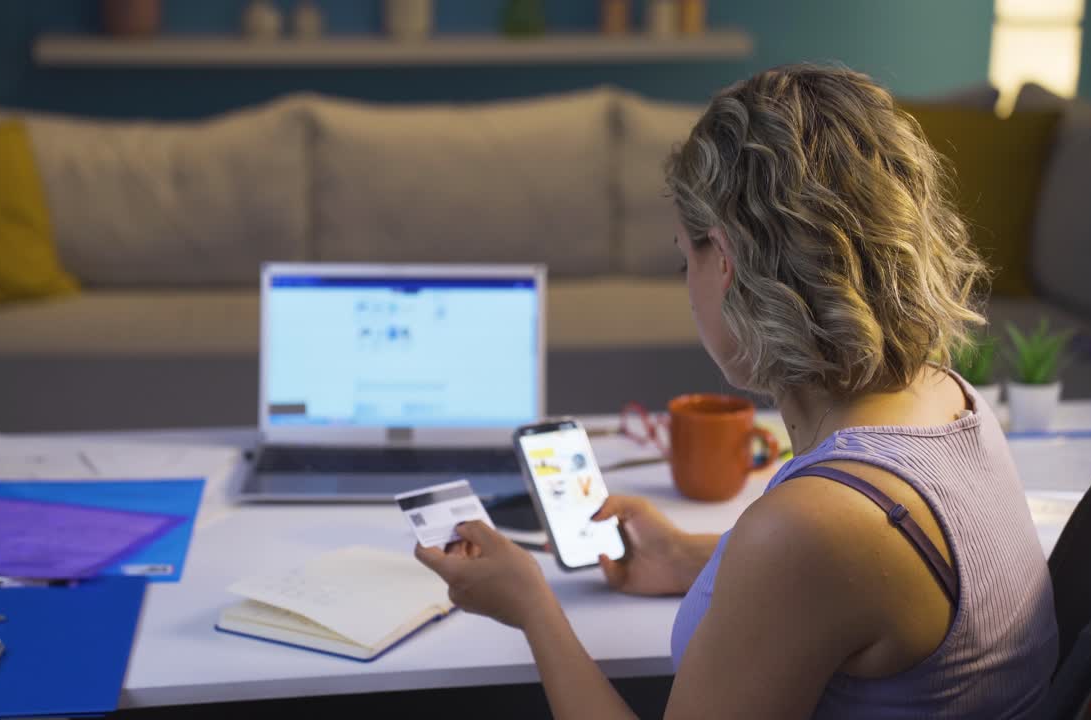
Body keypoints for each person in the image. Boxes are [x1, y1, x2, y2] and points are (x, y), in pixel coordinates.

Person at [414, 63, 1057, 719]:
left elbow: (824, 555)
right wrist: (689, 556)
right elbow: (855, 589)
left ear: (722, 260)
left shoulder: (812, 527)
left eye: (682, 257)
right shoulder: (949, 398)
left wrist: (531, 607)